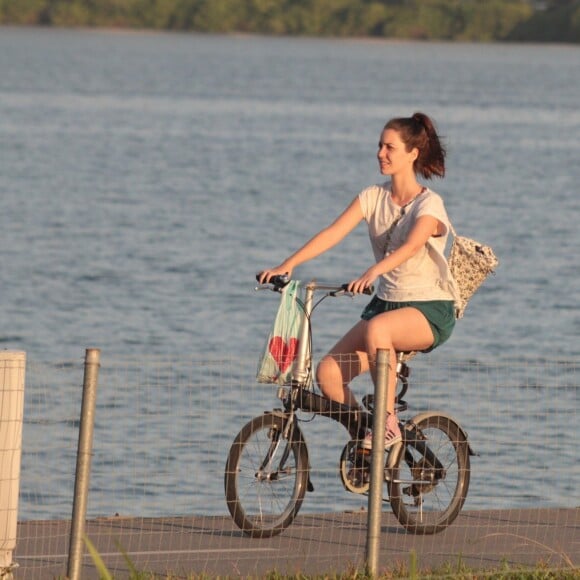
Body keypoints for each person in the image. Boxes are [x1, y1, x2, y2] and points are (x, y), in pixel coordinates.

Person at [258, 112, 457, 449]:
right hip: (386, 305)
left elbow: (412, 246)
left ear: (412, 154)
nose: (381, 153)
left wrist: (372, 272)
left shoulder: (429, 204)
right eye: (379, 146)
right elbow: (332, 232)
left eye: (389, 147)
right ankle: (367, 443)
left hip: (428, 310)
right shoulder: (372, 197)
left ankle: (387, 422)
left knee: (378, 328)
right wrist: (287, 265)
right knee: (328, 374)